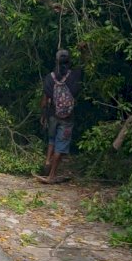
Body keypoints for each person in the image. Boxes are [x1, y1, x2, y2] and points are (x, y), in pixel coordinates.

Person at [40, 48, 81, 184]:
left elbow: (45, 100)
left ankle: (47, 161)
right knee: (61, 146)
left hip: (52, 115)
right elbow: (83, 66)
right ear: (69, 61)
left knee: (52, 140)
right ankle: (52, 175)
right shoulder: (74, 76)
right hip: (67, 117)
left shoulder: (49, 78)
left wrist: (44, 115)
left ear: (56, 61)